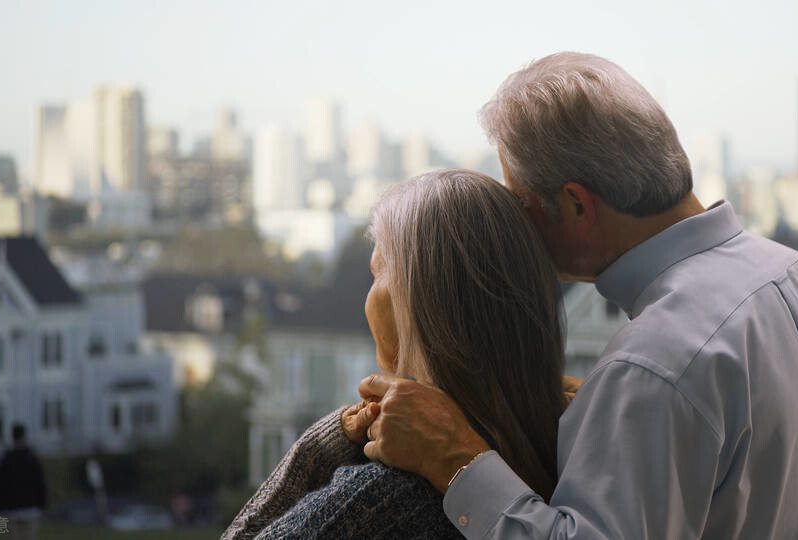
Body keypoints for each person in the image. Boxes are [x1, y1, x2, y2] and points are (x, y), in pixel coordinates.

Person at [358, 52, 798, 539]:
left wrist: (455, 458)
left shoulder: (654, 364)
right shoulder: (792, 275)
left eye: (520, 205)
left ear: (577, 205)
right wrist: (606, 410)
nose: (516, 229)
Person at [223, 169, 567, 539]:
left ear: (414, 303)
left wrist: (321, 448)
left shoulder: (377, 499)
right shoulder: (570, 458)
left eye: (376, 273)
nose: (367, 298)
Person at [0, 424, 46, 540]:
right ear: (24, 436)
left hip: (11, 507)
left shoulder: (6, 459)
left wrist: (0, 505)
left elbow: (0, 485)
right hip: (31, 507)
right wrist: (42, 504)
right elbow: (40, 483)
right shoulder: (32, 458)